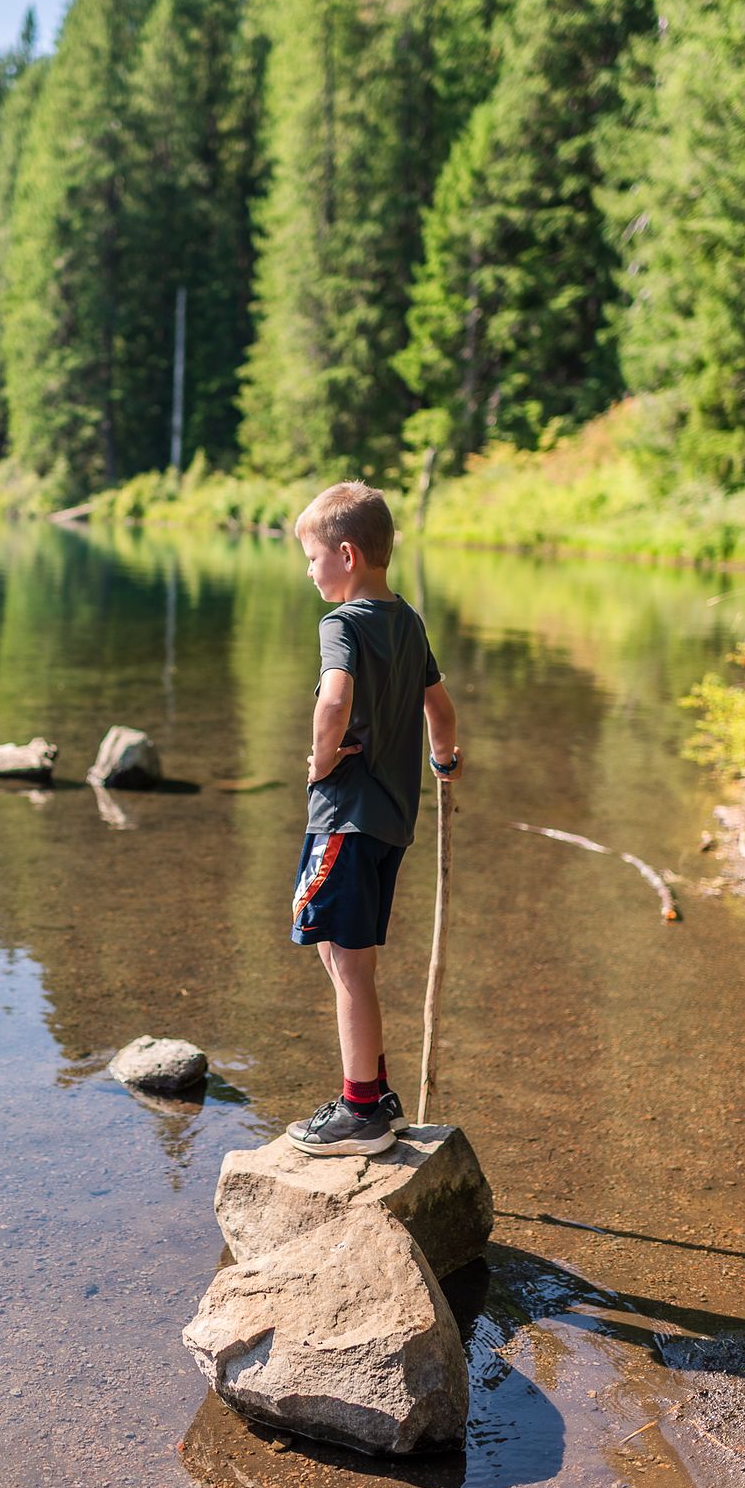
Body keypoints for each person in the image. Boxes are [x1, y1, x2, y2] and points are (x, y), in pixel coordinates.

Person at [285, 481, 462, 1157]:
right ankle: (377, 1090)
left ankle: (360, 1109)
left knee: (345, 960)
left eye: (312, 557)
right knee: (346, 955)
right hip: (390, 823)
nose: (309, 571)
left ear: (347, 555)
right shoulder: (408, 621)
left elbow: (334, 701)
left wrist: (321, 761)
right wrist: (443, 761)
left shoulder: (343, 624)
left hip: (345, 818)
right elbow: (439, 709)